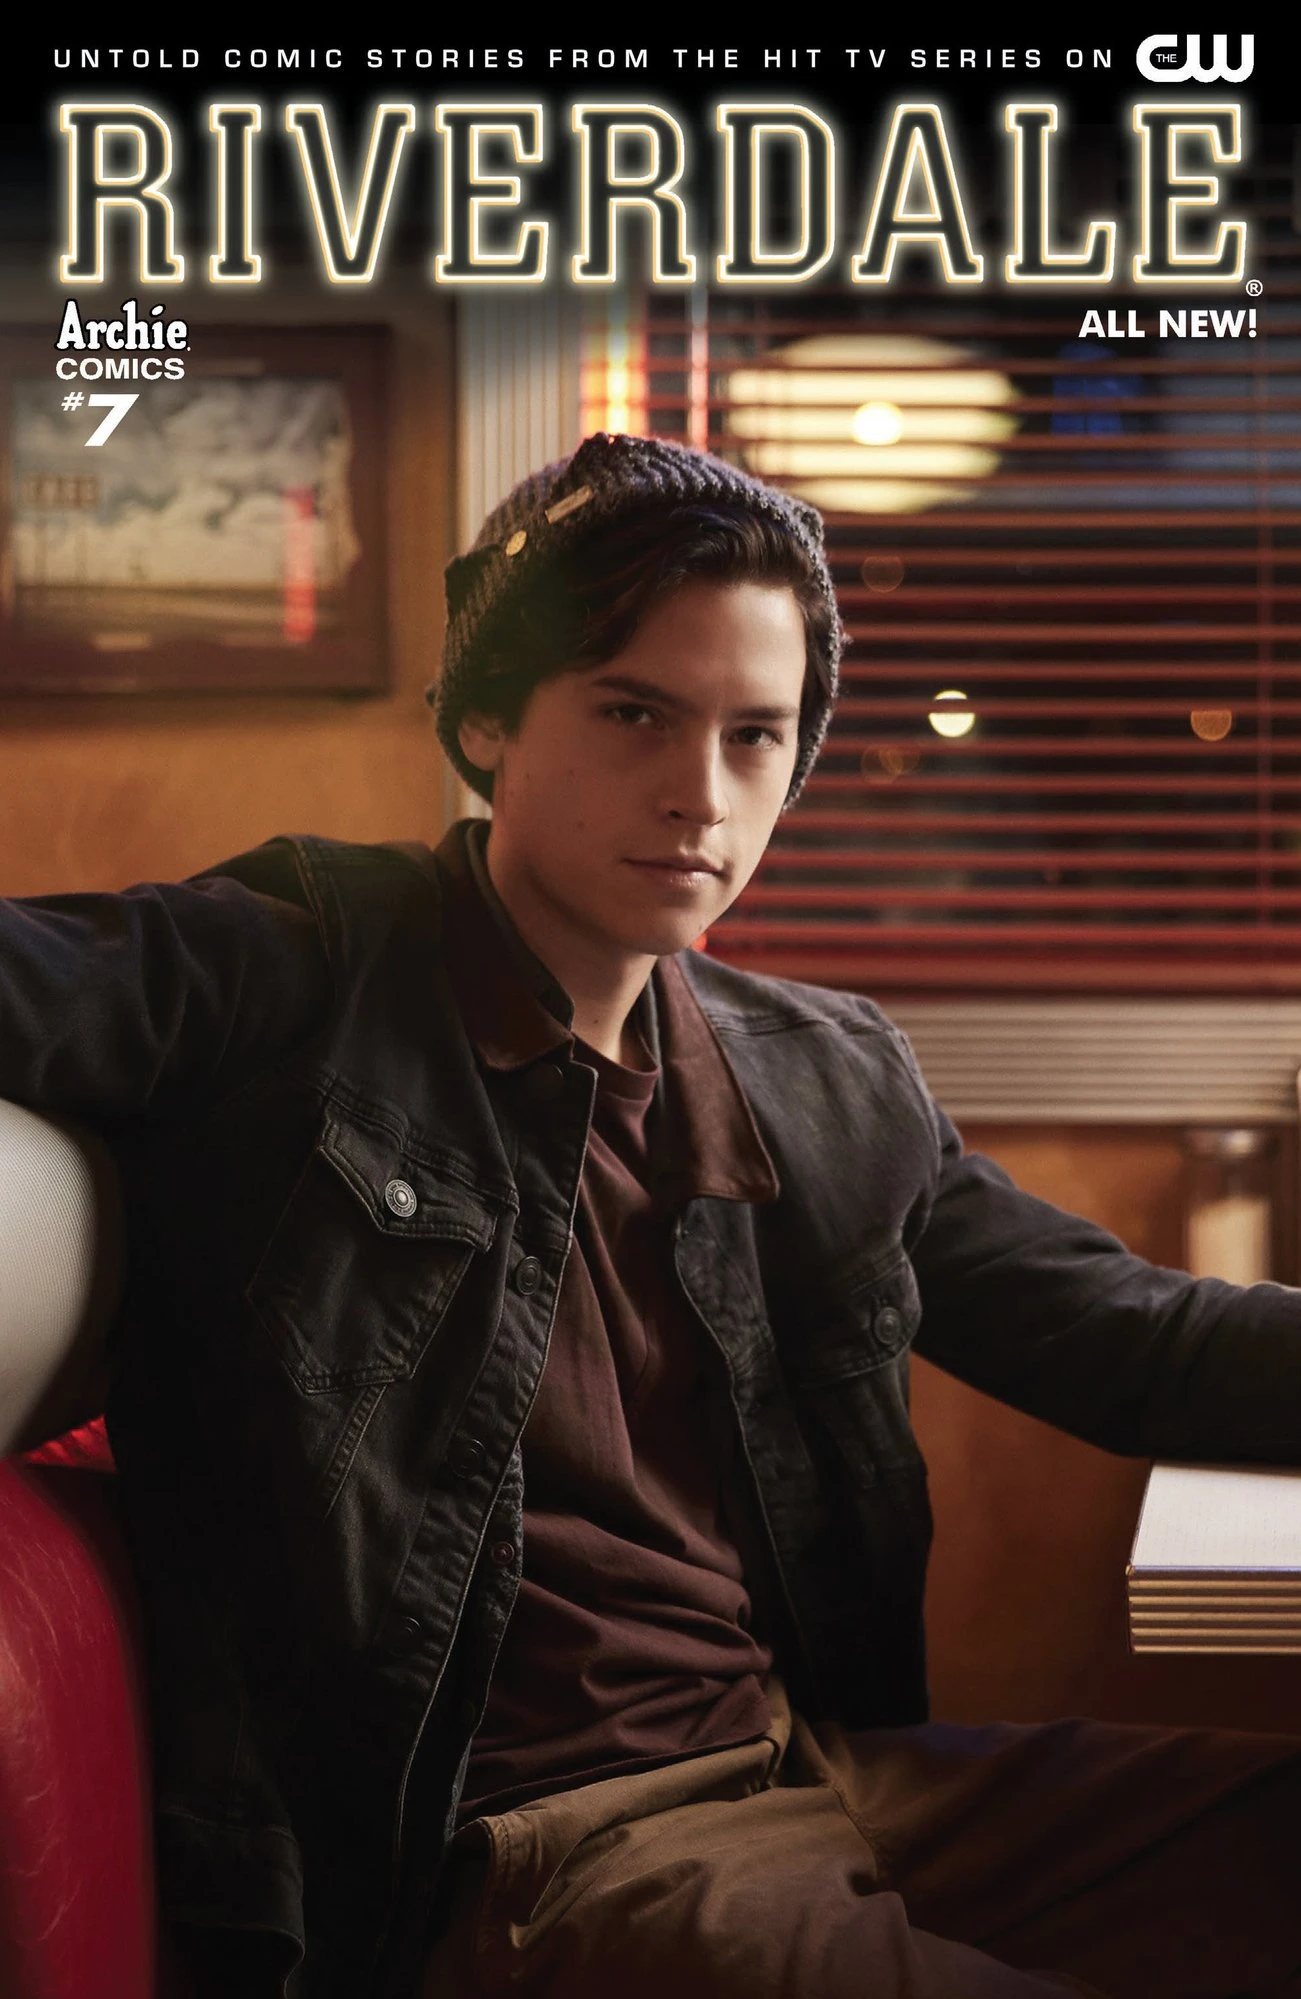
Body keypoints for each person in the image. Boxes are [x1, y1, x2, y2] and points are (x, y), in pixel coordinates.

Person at [2, 430, 1301, 1999]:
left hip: (813, 1772)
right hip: (535, 1854)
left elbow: (1135, 1343)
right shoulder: (296, 967)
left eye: (755, 736)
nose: (701, 794)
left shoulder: (819, 1076)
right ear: (489, 716)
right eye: (635, 713)